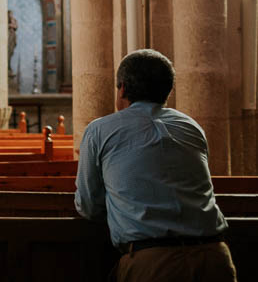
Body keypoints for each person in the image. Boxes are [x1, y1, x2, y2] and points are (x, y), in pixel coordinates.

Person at [75, 49, 234, 281]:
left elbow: (88, 206)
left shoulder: (100, 130)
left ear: (123, 89)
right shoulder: (190, 126)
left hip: (154, 262)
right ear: (167, 90)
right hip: (215, 257)